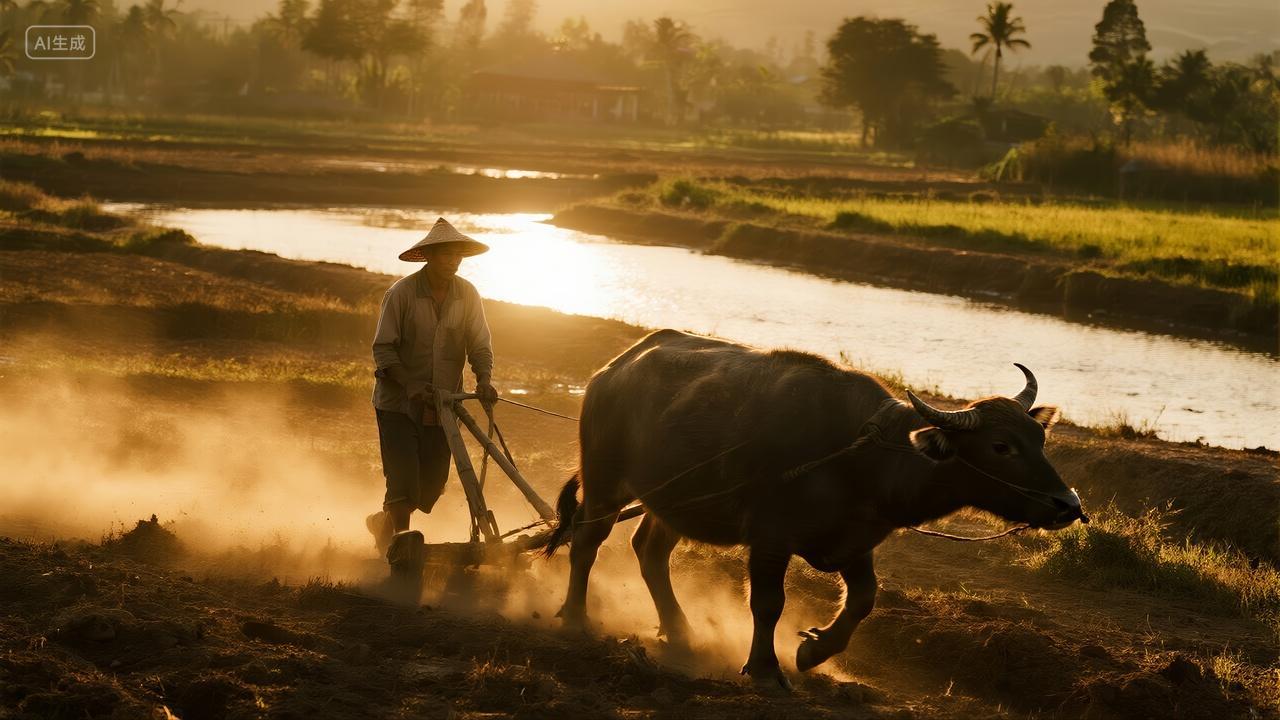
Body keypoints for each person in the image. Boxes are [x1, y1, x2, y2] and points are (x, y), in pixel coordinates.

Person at [366, 217, 498, 561]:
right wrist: (409, 384)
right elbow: (383, 349)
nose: (453, 261)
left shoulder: (467, 294)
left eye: (458, 255)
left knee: (431, 488)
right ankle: (401, 549)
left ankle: (383, 523)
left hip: (443, 405)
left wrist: (483, 379)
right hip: (398, 404)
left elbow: (479, 344)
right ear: (428, 256)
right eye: (446, 255)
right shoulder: (401, 294)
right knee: (403, 481)